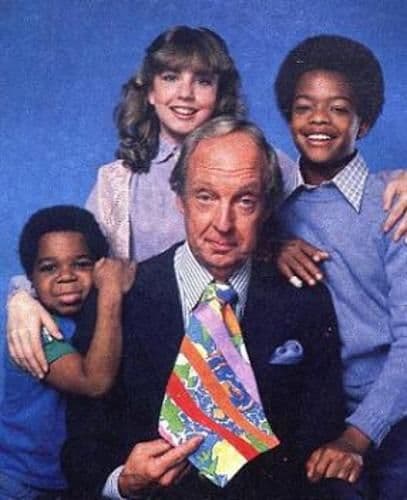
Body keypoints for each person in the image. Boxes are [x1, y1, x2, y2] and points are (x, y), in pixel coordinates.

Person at [6, 25, 407, 381]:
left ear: (220, 93)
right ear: (149, 91)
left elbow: (325, 190)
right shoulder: (118, 180)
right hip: (148, 354)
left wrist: (399, 180)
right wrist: (21, 295)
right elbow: (77, 261)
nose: (185, 93)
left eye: (202, 81)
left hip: (239, 349)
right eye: (170, 77)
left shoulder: (257, 158)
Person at [61, 116, 347, 500]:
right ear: (180, 200)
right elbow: (80, 449)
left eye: (245, 201)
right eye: (206, 197)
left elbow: (322, 437)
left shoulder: (304, 300)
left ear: (266, 208)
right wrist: (123, 482)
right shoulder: (118, 298)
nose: (223, 224)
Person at [274, 35, 407, 498]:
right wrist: (270, 245)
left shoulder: (393, 203)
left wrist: (357, 436)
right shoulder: (272, 209)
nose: (318, 120)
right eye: (304, 107)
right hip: (311, 414)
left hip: (392, 408)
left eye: (338, 109)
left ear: (363, 123)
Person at [0, 206, 135, 500]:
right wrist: (111, 290)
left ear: (99, 267)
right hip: (20, 483)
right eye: (49, 268)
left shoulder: (96, 322)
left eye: (81, 264)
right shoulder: (32, 328)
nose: (66, 277)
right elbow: (94, 381)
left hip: (74, 482)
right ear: (30, 278)